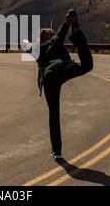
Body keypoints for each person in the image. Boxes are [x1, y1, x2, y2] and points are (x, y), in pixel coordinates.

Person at [29, 10, 93, 159]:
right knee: (86, 66)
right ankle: (76, 29)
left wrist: (69, 26)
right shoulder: (42, 47)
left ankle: (57, 151)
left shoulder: (38, 48)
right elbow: (56, 40)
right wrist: (65, 24)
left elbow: (57, 41)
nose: (49, 36)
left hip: (54, 74)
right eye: (47, 35)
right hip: (57, 70)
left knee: (54, 113)